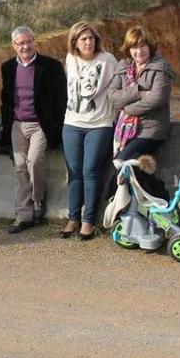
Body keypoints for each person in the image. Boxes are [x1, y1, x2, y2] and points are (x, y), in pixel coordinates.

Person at [0, 26, 66, 234]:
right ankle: (23, 215)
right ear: (14, 46)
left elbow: (61, 97)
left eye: (29, 41)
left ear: (34, 41)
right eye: (21, 43)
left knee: (34, 161)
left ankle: (38, 202)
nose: (26, 46)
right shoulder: (7, 67)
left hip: (40, 125)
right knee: (19, 166)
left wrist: (55, 125)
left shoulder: (51, 66)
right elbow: (6, 97)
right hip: (17, 124)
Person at [61, 21, 118, 240]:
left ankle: (88, 221)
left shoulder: (107, 60)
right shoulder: (70, 59)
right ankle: (73, 218)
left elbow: (116, 88)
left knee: (90, 170)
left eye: (91, 38)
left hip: (99, 123)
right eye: (83, 39)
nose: (88, 42)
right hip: (72, 123)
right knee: (74, 172)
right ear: (75, 42)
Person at [107, 25, 172, 199]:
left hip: (152, 130)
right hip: (126, 131)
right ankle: (163, 199)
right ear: (128, 49)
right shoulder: (123, 66)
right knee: (138, 168)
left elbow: (157, 99)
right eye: (134, 47)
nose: (138, 51)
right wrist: (138, 91)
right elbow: (113, 96)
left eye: (143, 46)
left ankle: (110, 197)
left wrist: (127, 108)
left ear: (150, 46)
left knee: (122, 161)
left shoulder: (160, 66)